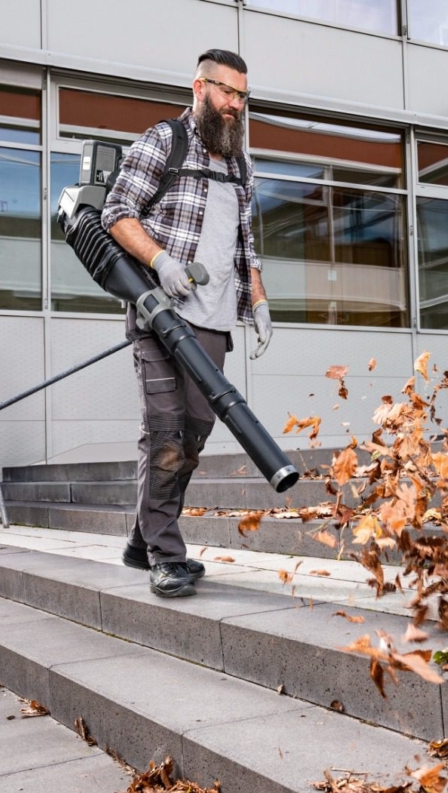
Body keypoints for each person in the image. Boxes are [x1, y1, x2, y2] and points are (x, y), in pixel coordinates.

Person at [101, 49, 272, 598]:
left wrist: (260, 301)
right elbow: (116, 212)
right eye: (227, 92)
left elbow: (248, 245)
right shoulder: (163, 140)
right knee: (166, 433)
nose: (235, 105)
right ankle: (166, 556)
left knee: (192, 439)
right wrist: (161, 262)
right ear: (199, 87)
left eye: (243, 96)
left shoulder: (240, 163)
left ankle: (141, 536)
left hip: (216, 323)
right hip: (160, 316)